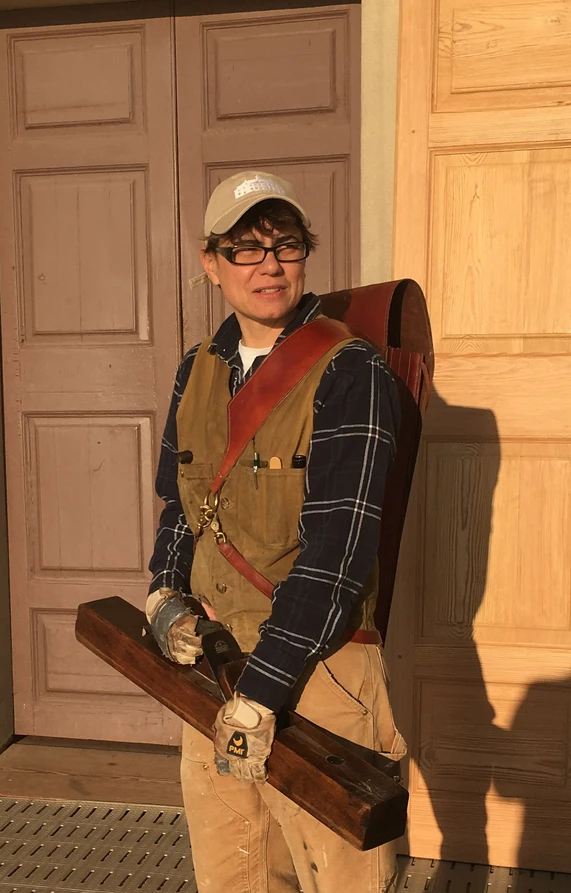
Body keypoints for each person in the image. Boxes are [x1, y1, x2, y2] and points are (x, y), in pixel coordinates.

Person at [144, 170, 406, 893]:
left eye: (284, 244)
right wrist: (163, 595)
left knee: (338, 878)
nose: (267, 264)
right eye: (245, 248)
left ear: (305, 254)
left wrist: (259, 694)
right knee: (234, 876)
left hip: (318, 673)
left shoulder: (351, 371)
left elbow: (336, 557)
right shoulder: (195, 370)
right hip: (218, 669)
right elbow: (179, 506)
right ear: (211, 262)